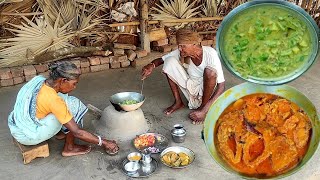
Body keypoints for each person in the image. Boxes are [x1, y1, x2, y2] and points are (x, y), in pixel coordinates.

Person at [8, 61, 119, 157]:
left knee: (64, 99)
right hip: (27, 136)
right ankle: (69, 148)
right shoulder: (54, 100)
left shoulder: (39, 80)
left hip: (16, 124)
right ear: (63, 80)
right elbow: (78, 132)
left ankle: (61, 131)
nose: (75, 87)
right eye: (74, 84)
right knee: (73, 104)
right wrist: (104, 142)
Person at [141, 29, 225, 124]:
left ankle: (203, 108)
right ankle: (178, 102)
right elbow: (162, 60)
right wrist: (151, 65)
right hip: (191, 88)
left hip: (206, 93)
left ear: (194, 44)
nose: (180, 49)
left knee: (210, 72)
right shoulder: (182, 52)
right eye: (179, 46)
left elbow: (221, 86)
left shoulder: (211, 53)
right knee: (169, 61)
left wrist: (204, 110)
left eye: (183, 46)